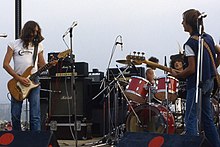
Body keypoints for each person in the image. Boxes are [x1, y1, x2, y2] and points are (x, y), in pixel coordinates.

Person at [171, 9, 220, 147]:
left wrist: (178, 75)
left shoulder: (189, 44)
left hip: (196, 84)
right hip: (209, 82)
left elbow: (191, 69)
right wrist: (212, 68)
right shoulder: (208, 38)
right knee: (207, 118)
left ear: (190, 23)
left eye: (184, 21)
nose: (182, 23)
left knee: (190, 118)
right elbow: (219, 52)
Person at [3, 20, 46, 131]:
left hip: (34, 81)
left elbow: (42, 65)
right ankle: (17, 139)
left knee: (35, 115)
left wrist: (51, 64)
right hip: (17, 81)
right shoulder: (13, 44)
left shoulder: (38, 46)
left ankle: (35, 140)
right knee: (15, 114)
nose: (35, 34)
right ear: (27, 31)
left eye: (37, 32)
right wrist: (19, 78)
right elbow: (5, 64)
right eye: (33, 31)